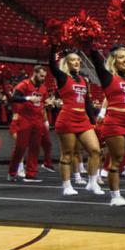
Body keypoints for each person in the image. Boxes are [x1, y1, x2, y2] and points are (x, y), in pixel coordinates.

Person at [90, 45, 125, 206]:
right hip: (115, 122)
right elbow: (96, 60)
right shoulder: (107, 76)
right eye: (121, 57)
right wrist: (91, 43)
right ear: (113, 60)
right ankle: (115, 196)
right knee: (116, 161)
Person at [49, 47, 104, 198]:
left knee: (95, 150)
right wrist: (54, 46)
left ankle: (92, 182)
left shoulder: (83, 80)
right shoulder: (62, 77)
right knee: (67, 154)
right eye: (73, 60)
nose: (77, 62)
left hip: (83, 119)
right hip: (67, 118)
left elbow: (87, 102)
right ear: (66, 63)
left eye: (78, 60)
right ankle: (67, 185)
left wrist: (92, 121)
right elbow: (52, 65)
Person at [8, 65, 48, 183]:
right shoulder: (24, 84)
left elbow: (42, 102)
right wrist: (27, 98)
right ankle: (12, 172)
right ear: (34, 73)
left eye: (44, 76)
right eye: (41, 75)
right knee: (20, 147)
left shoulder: (43, 88)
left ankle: (31, 174)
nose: (43, 78)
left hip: (38, 120)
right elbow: (13, 98)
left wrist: (48, 103)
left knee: (35, 147)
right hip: (25, 119)